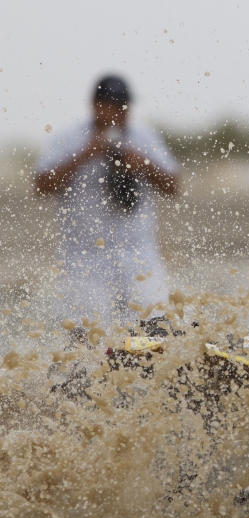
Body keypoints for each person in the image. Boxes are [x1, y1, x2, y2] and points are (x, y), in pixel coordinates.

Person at [34, 75, 180, 330]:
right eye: (112, 105)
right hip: (83, 257)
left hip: (138, 255)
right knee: (84, 337)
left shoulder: (143, 138)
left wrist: (144, 164)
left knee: (155, 331)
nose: (119, 112)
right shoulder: (69, 138)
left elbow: (173, 186)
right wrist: (85, 154)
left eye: (124, 106)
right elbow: (41, 185)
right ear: (95, 106)